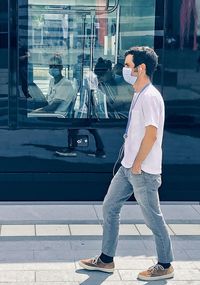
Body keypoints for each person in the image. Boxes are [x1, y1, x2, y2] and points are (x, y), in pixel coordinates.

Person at [78, 46, 174, 281]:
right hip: (128, 167)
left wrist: (138, 163)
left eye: (128, 65)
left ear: (141, 68)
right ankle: (106, 260)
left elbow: (151, 134)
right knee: (110, 207)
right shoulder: (138, 93)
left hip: (142, 170)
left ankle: (165, 264)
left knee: (153, 218)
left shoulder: (150, 96)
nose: (124, 69)